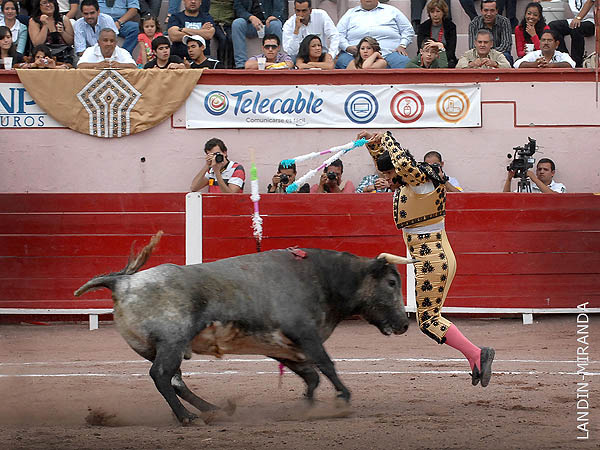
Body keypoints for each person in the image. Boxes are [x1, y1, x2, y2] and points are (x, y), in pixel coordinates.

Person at [358, 129, 495, 388]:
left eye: (389, 175)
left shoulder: (422, 182)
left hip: (433, 258)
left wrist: (385, 136)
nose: (387, 180)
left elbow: (402, 164)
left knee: (429, 320)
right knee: (428, 319)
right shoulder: (410, 184)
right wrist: (372, 145)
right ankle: (475, 357)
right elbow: (392, 164)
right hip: (428, 258)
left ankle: (478, 354)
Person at [335, 0, 413, 69]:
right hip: (356, 55)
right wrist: (347, 47)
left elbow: (407, 30)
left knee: (404, 62)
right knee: (342, 61)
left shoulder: (392, 10)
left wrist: (402, 45)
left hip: (388, 54)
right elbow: (338, 34)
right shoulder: (350, 13)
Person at [232, 0, 285, 69]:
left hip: (268, 24)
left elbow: (279, 6)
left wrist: (274, 16)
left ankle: (278, 62)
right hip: (250, 24)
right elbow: (238, 7)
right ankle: (241, 64)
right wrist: (251, 17)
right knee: (237, 23)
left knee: (276, 24)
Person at [548, 0, 595, 67]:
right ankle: (565, 58)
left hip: (591, 21)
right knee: (553, 26)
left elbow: (590, 2)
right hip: (576, 20)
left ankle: (577, 62)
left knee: (576, 28)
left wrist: (579, 18)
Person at [467, 0, 513, 66]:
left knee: (506, 56)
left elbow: (506, 46)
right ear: (481, 11)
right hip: (479, 55)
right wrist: (484, 55)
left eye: (492, 10)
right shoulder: (474, 24)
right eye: (486, 10)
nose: (488, 14)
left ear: (497, 11)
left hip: (499, 55)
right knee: (467, 59)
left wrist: (490, 55)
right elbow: (472, 46)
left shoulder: (504, 22)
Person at [28, 0, 75, 64]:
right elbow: (37, 43)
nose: (48, 5)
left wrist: (62, 32)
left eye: (50, 2)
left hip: (64, 57)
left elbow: (71, 42)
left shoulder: (64, 19)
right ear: (39, 6)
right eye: (44, 3)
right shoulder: (34, 21)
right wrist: (45, 25)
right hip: (43, 58)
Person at [417, 0, 457, 68]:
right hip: (428, 58)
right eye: (432, 12)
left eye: (438, 11)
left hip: (446, 57)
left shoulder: (451, 26)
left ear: (443, 13)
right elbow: (421, 47)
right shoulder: (423, 27)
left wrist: (440, 57)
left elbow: (451, 50)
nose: (435, 15)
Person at [208, 0, 235, 68]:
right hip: (215, 23)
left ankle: (231, 65)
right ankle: (220, 64)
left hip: (228, 23)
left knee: (231, 38)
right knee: (222, 38)